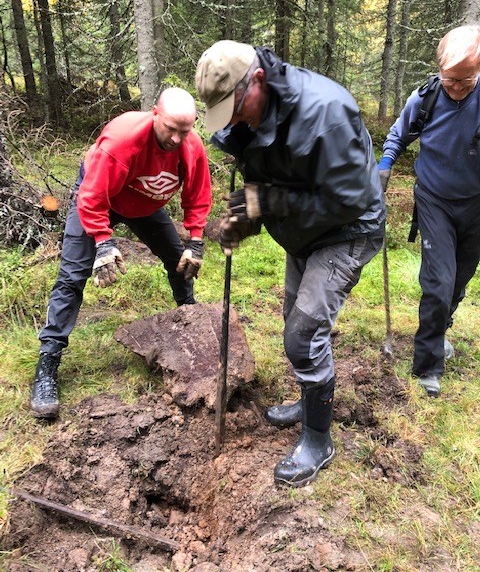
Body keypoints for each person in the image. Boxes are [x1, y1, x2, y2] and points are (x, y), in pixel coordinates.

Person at [195, 40, 385, 488]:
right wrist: (246, 218)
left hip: (347, 230)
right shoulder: (250, 118)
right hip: (303, 233)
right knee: (295, 323)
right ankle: (310, 400)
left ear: (257, 79)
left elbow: (348, 198)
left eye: (235, 106)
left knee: (302, 333)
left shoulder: (326, 111)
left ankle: (318, 440)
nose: (234, 118)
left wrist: (265, 202)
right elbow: (265, 181)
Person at [30, 87, 212, 420]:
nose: (175, 138)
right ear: (155, 113)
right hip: (100, 199)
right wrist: (103, 242)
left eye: (184, 131)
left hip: (144, 205)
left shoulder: (191, 146)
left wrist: (196, 240)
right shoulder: (122, 141)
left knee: (180, 262)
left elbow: (198, 194)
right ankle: (47, 366)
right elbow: (92, 196)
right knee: (72, 276)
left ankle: (192, 321)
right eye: (170, 127)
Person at [378, 24, 480, 398]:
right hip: (434, 199)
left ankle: (439, 332)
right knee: (437, 284)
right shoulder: (426, 98)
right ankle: (428, 363)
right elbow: (398, 135)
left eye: (465, 81)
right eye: (449, 79)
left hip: (476, 204)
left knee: (459, 280)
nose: (455, 87)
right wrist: (385, 166)